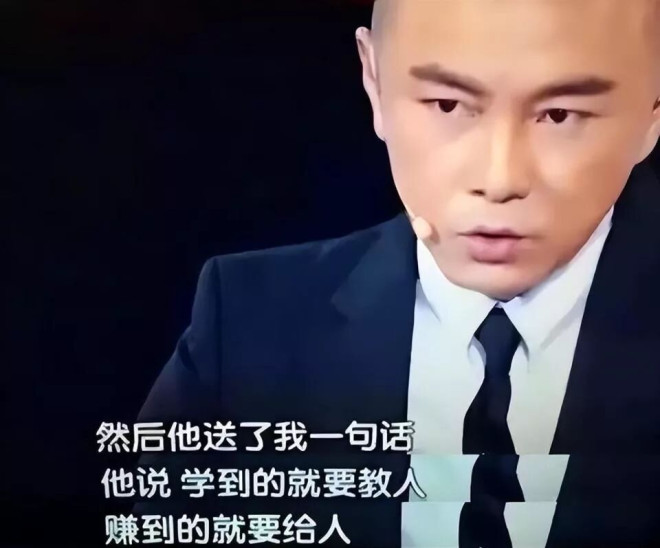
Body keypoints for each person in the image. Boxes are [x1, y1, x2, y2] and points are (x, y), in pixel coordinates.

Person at [137, 0, 660, 546]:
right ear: (374, 79)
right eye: (448, 104)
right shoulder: (247, 324)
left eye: (559, 115)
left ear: (653, 110)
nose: (500, 178)